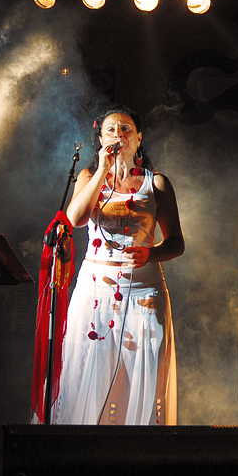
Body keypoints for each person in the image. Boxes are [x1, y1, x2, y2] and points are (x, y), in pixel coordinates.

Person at [52, 104, 185, 425]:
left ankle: (139, 456)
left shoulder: (157, 183)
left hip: (143, 288)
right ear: (100, 139)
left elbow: (177, 243)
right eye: (110, 130)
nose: (118, 135)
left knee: (143, 369)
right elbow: (75, 219)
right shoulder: (88, 176)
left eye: (125, 129)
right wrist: (102, 169)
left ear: (139, 139)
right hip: (95, 286)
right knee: (93, 368)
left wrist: (150, 254)